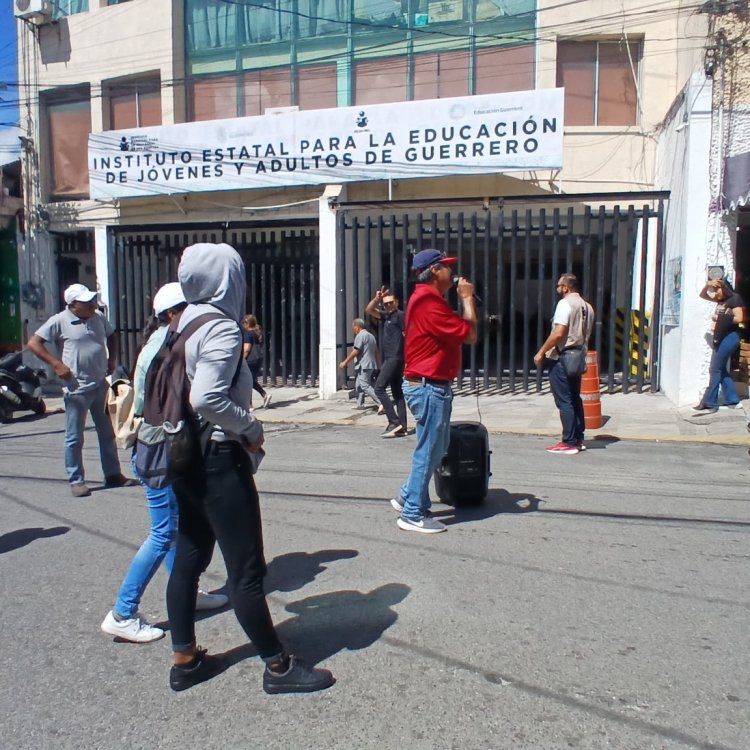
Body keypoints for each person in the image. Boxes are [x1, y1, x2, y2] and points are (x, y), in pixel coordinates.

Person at [166, 242, 334, 694]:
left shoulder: (181, 323)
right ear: (228, 280)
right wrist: (251, 427)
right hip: (219, 459)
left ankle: (185, 661)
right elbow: (206, 398)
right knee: (245, 571)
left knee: (189, 556)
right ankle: (278, 667)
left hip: (182, 456)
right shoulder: (220, 327)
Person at [100, 283, 228, 644]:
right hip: (159, 451)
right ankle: (123, 612)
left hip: (155, 447)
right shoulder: (167, 344)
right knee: (163, 533)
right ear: (174, 313)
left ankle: (186, 592)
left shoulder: (161, 339)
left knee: (178, 529)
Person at [390, 249, 477, 534]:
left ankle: (408, 495)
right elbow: (471, 333)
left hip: (430, 385)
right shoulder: (429, 302)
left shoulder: (426, 300)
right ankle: (412, 512)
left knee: (435, 448)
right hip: (428, 386)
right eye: (448, 267)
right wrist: (466, 298)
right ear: (435, 270)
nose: (452, 273)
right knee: (429, 450)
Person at [28, 283, 136, 497]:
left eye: (92, 301)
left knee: (107, 433)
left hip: (99, 384)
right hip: (76, 388)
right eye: (87, 302)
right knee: (74, 437)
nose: (92, 305)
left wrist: (112, 360)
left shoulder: (97, 318)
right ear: (73, 305)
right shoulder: (60, 320)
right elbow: (34, 343)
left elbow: (112, 335)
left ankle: (113, 474)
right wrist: (56, 364)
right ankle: (76, 479)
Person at [533, 273, 594, 455]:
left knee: (564, 400)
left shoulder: (564, 304)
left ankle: (568, 442)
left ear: (566, 288)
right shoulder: (587, 307)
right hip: (578, 356)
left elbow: (559, 332)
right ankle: (578, 437)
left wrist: (541, 351)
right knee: (575, 397)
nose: (558, 289)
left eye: (559, 286)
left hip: (562, 357)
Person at [694, 278, 746, 412]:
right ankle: (733, 399)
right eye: (714, 290)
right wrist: (707, 285)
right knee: (721, 370)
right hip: (720, 336)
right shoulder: (721, 300)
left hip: (730, 336)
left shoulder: (735, 299)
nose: (715, 293)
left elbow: (740, 318)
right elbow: (703, 295)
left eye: (718, 289)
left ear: (725, 288)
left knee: (714, 369)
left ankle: (709, 401)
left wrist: (720, 318)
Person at [366, 287, 407, 438]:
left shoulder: (400, 316)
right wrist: (377, 299)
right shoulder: (385, 316)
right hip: (392, 358)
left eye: (391, 303)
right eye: (386, 304)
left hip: (394, 358)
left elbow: (407, 335)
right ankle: (402, 426)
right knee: (398, 393)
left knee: (379, 388)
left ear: (396, 302)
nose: (388, 305)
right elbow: (369, 310)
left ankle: (394, 422)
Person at [339, 318, 382, 411]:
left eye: (353, 327)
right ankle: (360, 404)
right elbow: (376, 352)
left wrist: (345, 362)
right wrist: (378, 365)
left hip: (364, 365)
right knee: (358, 385)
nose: (353, 330)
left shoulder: (360, 336)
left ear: (357, 327)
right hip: (371, 364)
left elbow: (356, 351)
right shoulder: (371, 336)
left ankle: (381, 403)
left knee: (365, 385)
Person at [241, 314, 272, 408]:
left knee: (248, 381)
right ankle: (264, 395)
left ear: (247, 323)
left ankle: (249, 404)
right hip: (258, 359)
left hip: (249, 360)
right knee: (251, 380)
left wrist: (242, 360)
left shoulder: (248, 334)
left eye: (243, 323)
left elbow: (246, 349)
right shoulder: (258, 333)